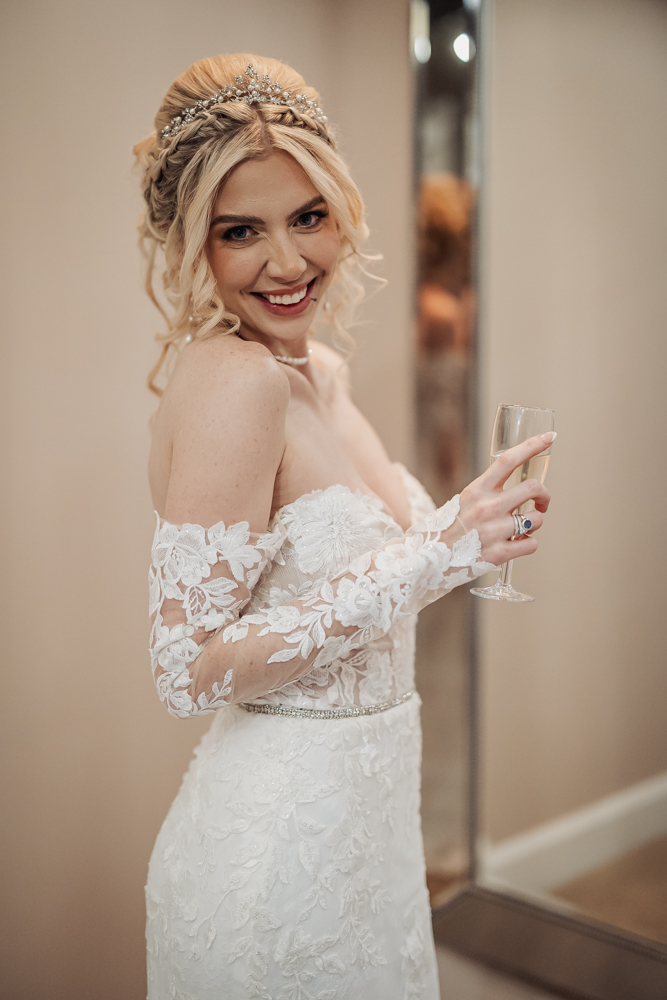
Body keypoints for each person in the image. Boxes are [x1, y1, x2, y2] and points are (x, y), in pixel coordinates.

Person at [135, 54, 552, 999]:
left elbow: (398, 556)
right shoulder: (235, 384)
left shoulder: (317, 370)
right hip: (278, 861)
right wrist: (435, 554)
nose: (286, 263)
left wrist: (472, 527)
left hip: (371, 833)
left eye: (308, 217)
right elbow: (184, 666)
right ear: (193, 245)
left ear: (341, 212)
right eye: (241, 231)